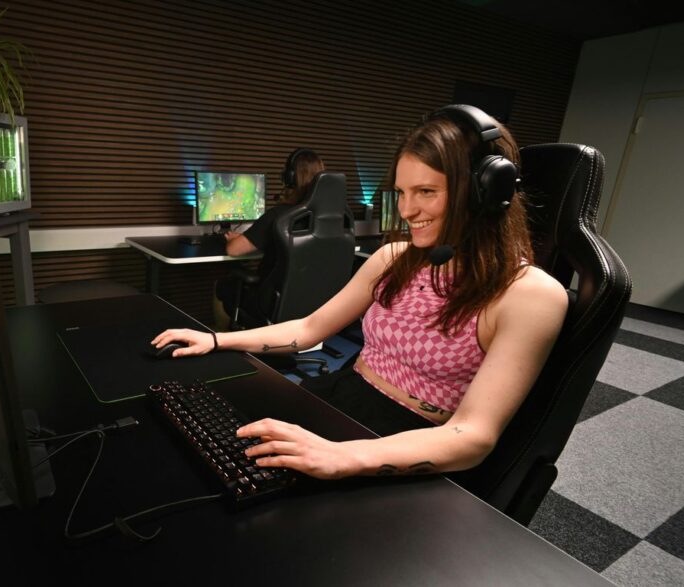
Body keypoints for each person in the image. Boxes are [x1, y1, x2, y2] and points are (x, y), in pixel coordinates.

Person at [153, 105, 568, 479]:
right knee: (209, 435)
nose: (406, 210)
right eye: (403, 193)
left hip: (411, 436)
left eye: (426, 192)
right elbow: (313, 327)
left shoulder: (529, 295)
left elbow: (474, 435)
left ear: (484, 194)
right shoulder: (394, 257)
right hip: (345, 391)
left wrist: (341, 457)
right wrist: (215, 338)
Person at [213, 148, 326, 329]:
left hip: (272, 303)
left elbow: (232, 250)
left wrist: (236, 239)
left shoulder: (279, 216)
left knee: (222, 287)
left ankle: (222, 343)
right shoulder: (328, 219)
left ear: (289, 178)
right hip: (315, 303)